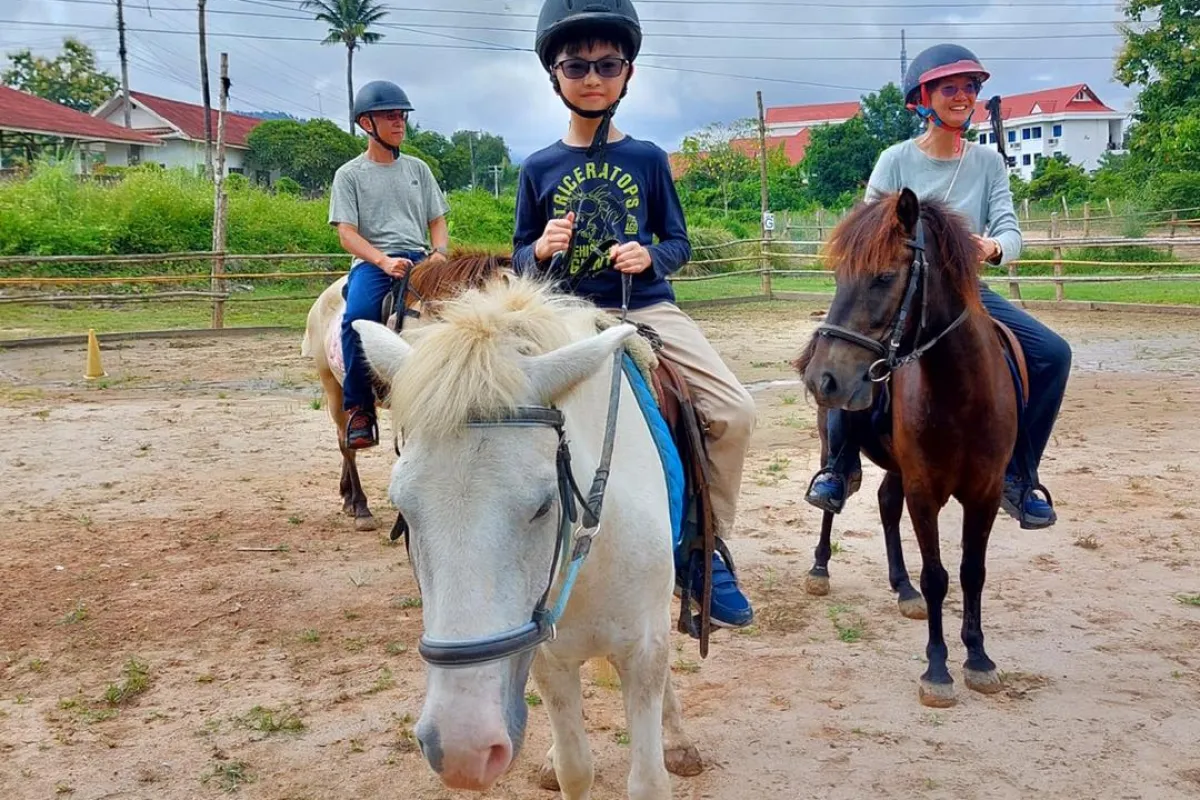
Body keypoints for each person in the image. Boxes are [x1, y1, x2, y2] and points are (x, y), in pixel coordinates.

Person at [511, 0, 756, 628]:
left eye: (607, 64)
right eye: (576, 65)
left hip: (646, 308)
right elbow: (520, 256)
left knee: (733, 411)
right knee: (507, 415)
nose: (592, 76)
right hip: (565, 312)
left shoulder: (647, 158)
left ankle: (704, 549)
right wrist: (539, 249)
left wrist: (648, 255)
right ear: (554, 74)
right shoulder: (537, 168)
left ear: (627, 73)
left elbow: (678, 242)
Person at [803, 43, 1072, 530]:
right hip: (899, 287)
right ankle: (839, 466)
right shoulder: (895, 159)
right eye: (950, 88)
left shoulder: (989, 163)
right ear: (922, 98)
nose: (963, 96)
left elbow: (1011, 230)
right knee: (845, 347)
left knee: (1054, 353)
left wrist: (991, 248)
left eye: (970, 88)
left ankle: (1019, 473)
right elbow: (868, 228)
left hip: (965, 294)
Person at [329, 80, 450, 450]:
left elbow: (437, 220)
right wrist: (381, 260)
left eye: (402, 116)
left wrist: (440, 252)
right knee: (359, 318)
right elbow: (346, 233)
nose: (399, 123)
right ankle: (360, 409)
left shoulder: (419, 169)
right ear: (367, 124)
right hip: (374, 262)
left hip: (421, 259)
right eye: (390, 117)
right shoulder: (349, 175)